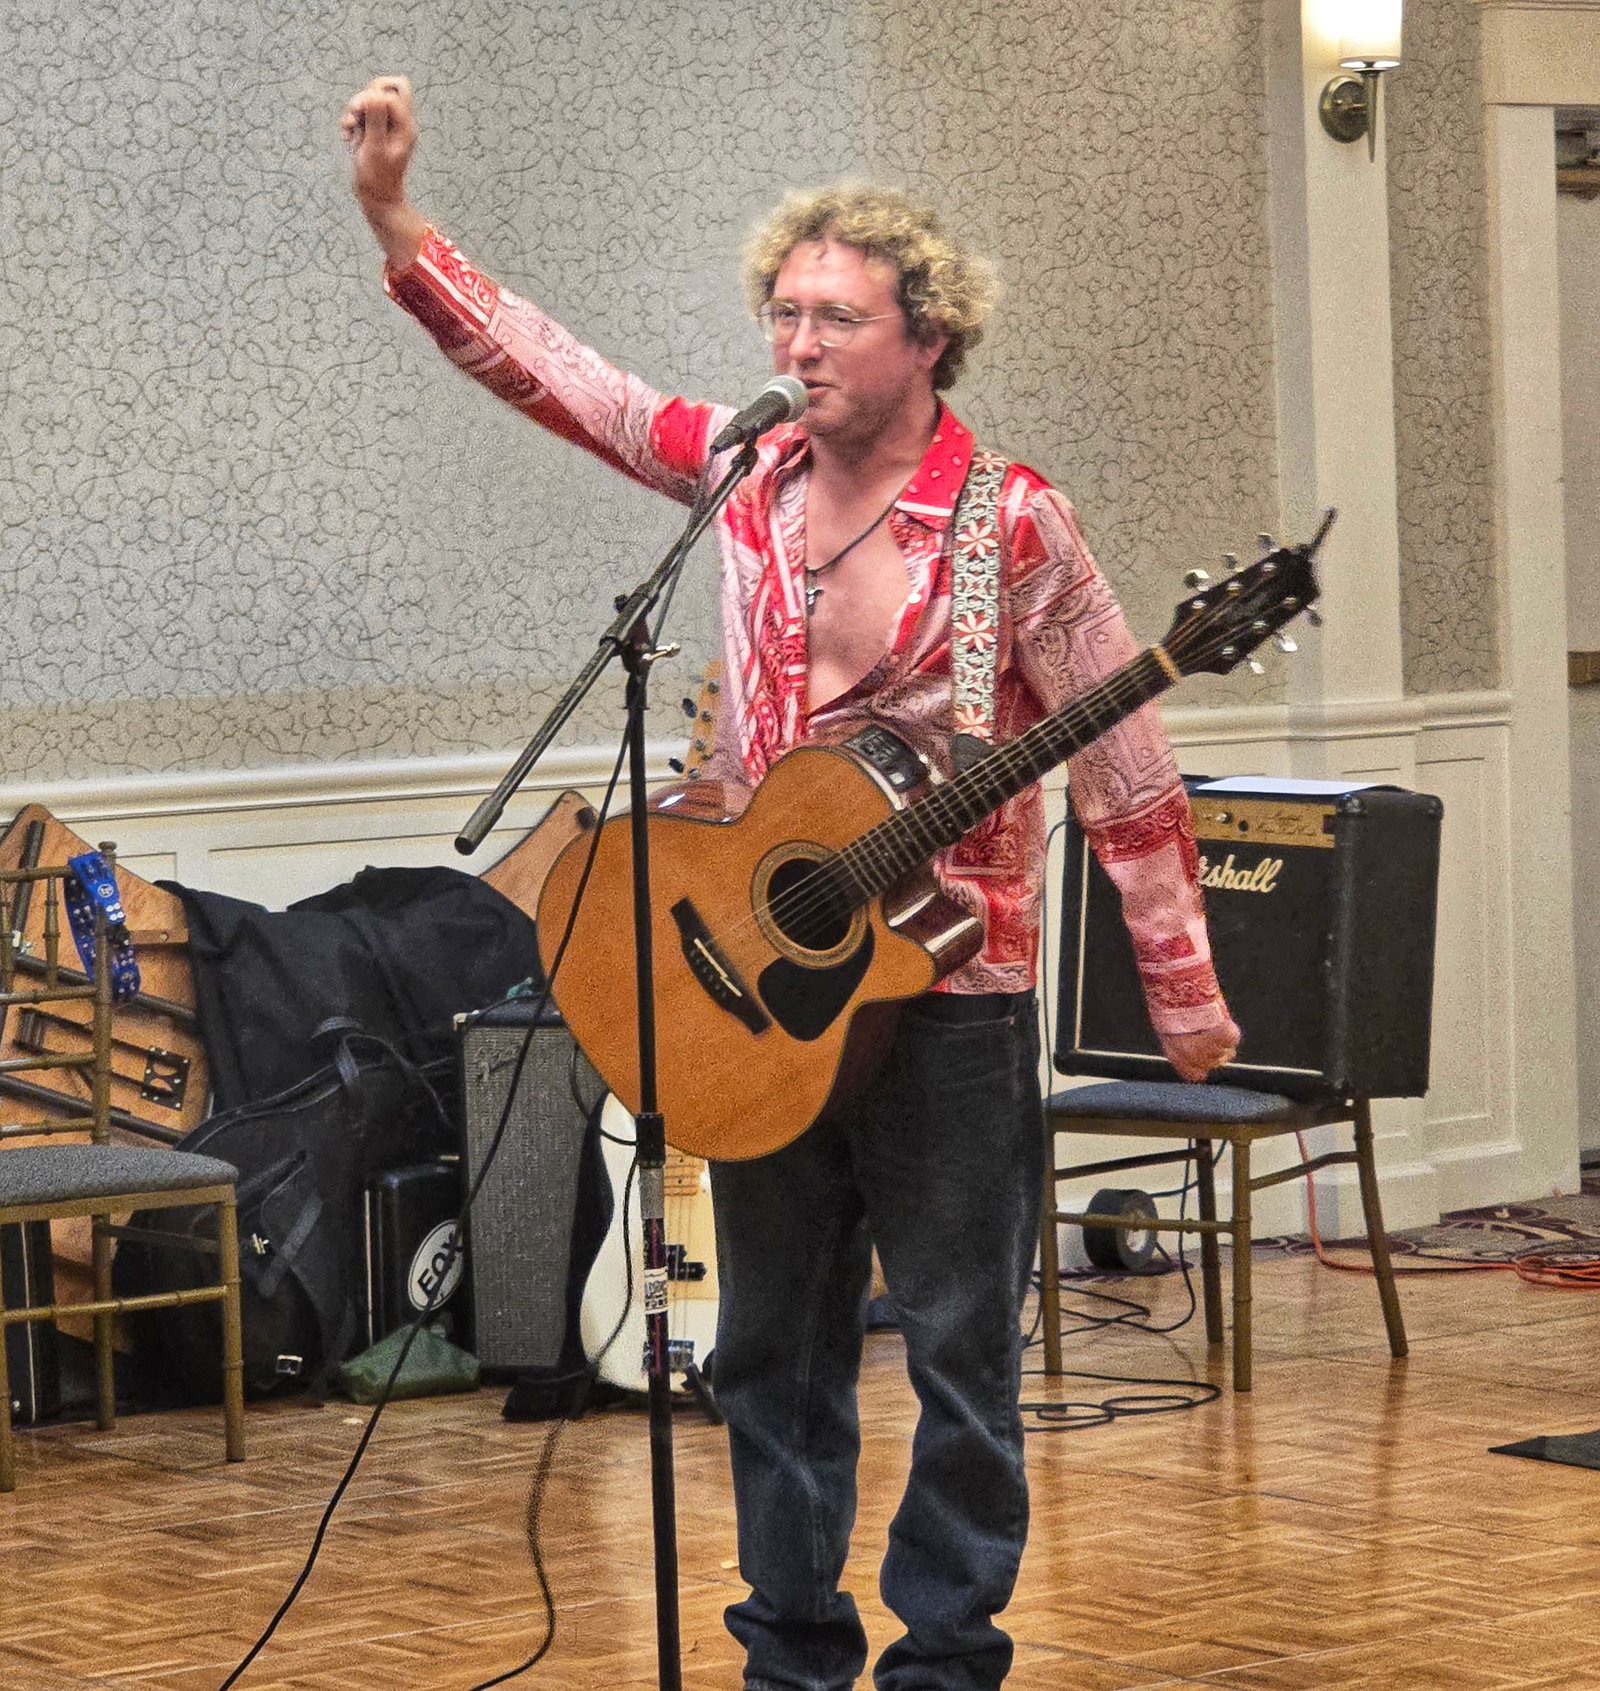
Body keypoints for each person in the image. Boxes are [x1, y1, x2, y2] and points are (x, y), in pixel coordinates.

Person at [342, 75, 1239, 1691]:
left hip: (952, 996)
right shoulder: (746, 480)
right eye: (784, 313)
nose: (799, 343)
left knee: (961, 1353)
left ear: (929, 338)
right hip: (758, 988)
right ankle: (790, 1654)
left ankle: (946, 1657)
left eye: (837, 318)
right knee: (768, 1348)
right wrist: (402, 226)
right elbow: (577, 388)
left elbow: (1125, 759)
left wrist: (1181, 993)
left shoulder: (1014, 525)